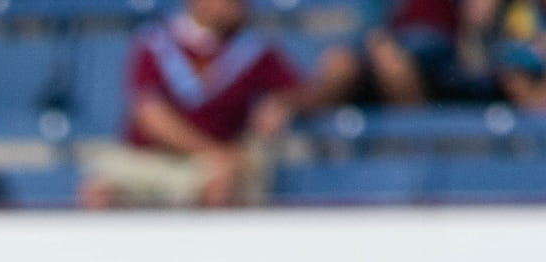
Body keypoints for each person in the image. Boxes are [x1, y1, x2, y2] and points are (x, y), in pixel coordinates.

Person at [80, 0, 302, 208]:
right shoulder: (156, 43)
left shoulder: (254, 49)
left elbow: (298, 94)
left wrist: (287, 101)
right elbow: (151, 116)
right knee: (99, 190)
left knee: (222, 184)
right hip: (151, 158)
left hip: (210, 167)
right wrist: (212, 151)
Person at [314, 0, 472, 106]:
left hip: (431, 44)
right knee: (339, 61)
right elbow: (371, 27)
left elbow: (476, 18)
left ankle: (414, 140)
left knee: (390, 61)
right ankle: (300, 111)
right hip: (388, 42)